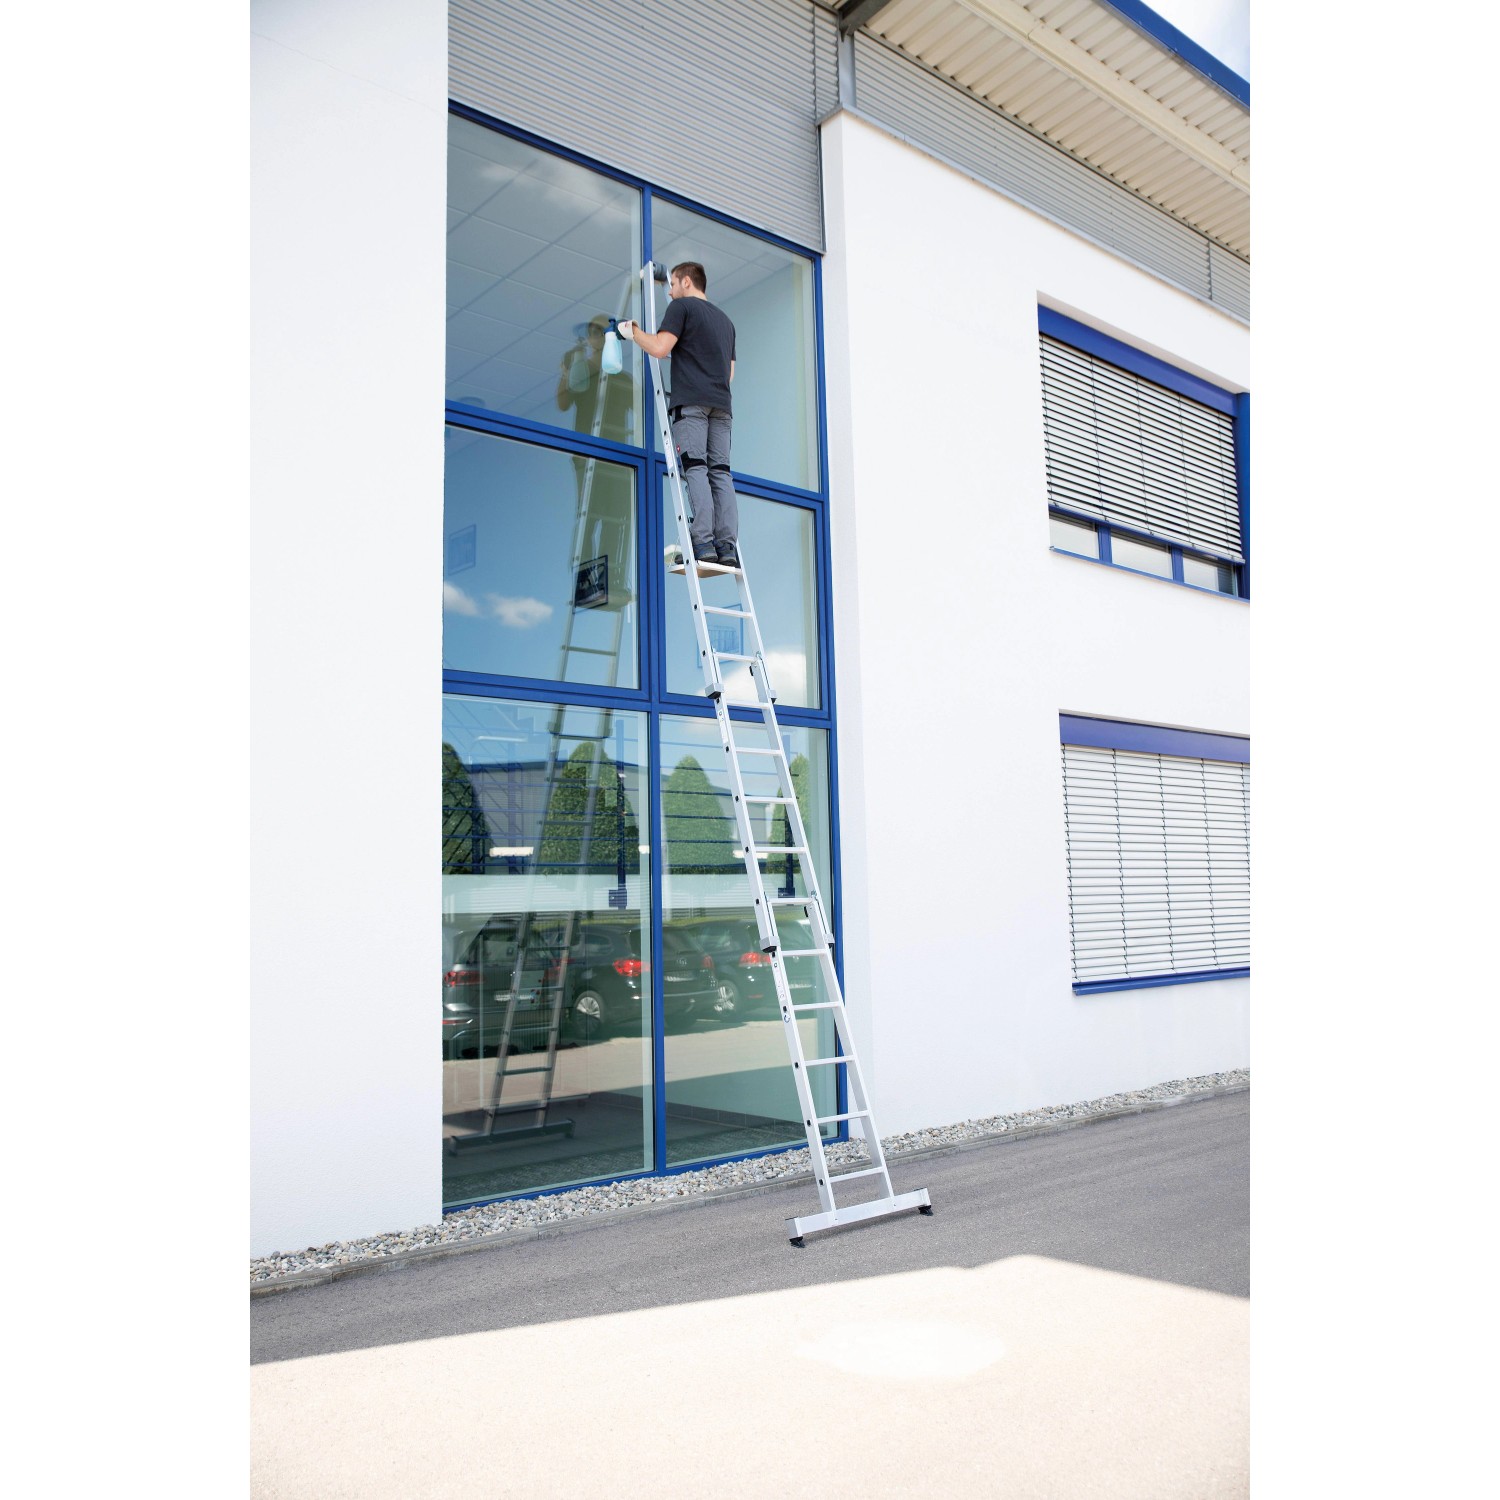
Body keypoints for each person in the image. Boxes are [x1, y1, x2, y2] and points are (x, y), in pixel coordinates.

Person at [617, 262, 739, 568]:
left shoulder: (681, 308)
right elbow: (729, 373)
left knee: (695, 468)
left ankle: (702, 542)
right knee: (720, 472)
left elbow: (659, 348)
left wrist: (632, 332)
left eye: (672, 284)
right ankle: (726, 545)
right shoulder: (726, 322)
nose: (669, 292)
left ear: (686, 281)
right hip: (722, 406)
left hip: (693, 405)